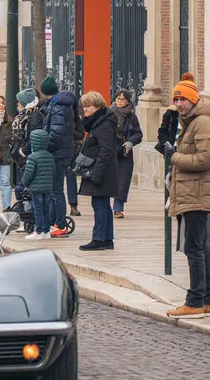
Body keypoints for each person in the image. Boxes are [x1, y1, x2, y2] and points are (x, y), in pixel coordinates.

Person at [165, 77, 210, 318]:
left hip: (198, 193)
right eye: (176, 99)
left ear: (193, 100)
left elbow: (207, 160)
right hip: (193, 192)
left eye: (183, 99)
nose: (179, 103)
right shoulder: (193, 121)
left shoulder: (202, 123)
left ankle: (195, 301)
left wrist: (175, 156)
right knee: (201, 247)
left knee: (194, 249)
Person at [76, 91, 121, 251]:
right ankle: (106, 238)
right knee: (102, 204)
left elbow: (106, 150)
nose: (85, 110)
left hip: (101, 171)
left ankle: (99, 238)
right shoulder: (99, 122)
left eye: (89, 106)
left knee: (100, 204)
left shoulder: (103, 124)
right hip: (101, 170)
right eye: (84, 106)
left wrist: (97, 173)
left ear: (98, 107)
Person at [39, 76, 82, 238]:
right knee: (55, 189)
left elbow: (55, 133)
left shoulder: (58, 106)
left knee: (56, 190)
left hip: (58, 153)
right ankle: (55, 222)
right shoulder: (63, 104)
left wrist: (45, 147)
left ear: (45, 93)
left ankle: (60, 225)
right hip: (63, 151)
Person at [17, 128, 56, 239]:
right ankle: (46, 231)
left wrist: (24, 184)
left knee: (38, 210)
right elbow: (53, 171)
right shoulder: (50, 156)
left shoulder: (32, 157)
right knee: (46, 208)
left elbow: (28, 174)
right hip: (48, 187)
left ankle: (38, 231)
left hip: (36, 188)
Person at [111, 90, 143, 219]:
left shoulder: (131, 116)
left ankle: (118, 208)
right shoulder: (109, 113)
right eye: (118, 98)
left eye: (122, 99)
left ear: (127, 102)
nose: (119, 101)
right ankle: (104, 206)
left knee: (122, 181)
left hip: (125, 151)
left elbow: (138, 134)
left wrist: (131, 142)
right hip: (111, 150)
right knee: (108, 179)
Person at [9, 88, 41, 187]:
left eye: (18, 101)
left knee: (26, 187)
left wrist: (22, 151)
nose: (17, 104)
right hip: (21, 157)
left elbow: (33, 136)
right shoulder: (22, 115)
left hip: (26, 156)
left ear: (24, 102)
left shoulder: (34, 116)